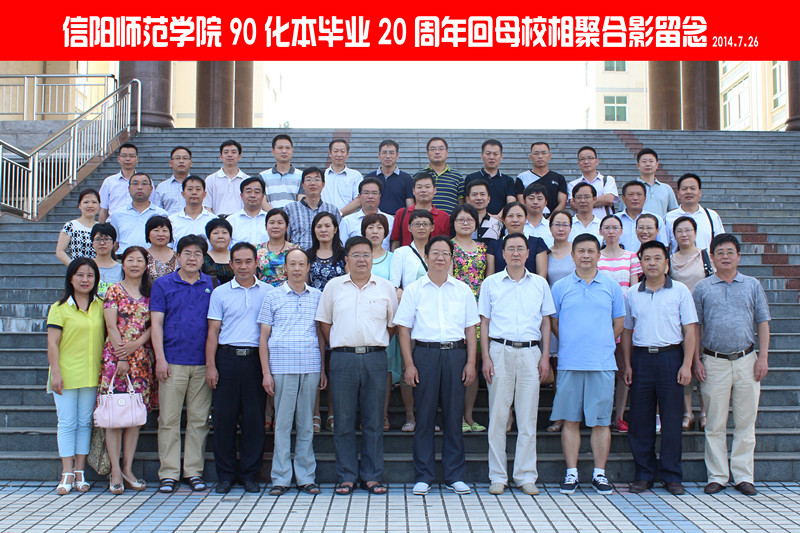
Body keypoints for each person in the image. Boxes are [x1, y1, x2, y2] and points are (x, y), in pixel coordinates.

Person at [395, 236, 479, 496]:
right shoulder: (414, 290)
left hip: (455, 354)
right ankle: (424, 476)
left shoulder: (462, 290)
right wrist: (409, 364)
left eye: (445, 253)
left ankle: (455, 475)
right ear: (427, 257)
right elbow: (403, 330)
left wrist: (471, 363)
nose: (440, 257)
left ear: (451, 258)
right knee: (425, 416)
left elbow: (471, 328)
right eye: (435, 253)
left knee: (454, 416)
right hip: (425, 354)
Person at [315, 237, 399, 496]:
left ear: (373, 259)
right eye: (356, 255)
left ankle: (372, 477)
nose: (362, 259)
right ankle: (347, 477)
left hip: (375, 358)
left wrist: (374, 344)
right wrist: (340, 345)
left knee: (374, 420)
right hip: (342, 359)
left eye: (366, 255)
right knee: (343, 420)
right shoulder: (333, 287)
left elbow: (392, 325)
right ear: (346, 260)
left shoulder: (385, 287)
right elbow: (324, 322)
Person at [693, 234, 771, 496]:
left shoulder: (752, 285)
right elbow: (695, 327)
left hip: (747, 360)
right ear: (712, 257)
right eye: (720, 252)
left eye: (730, 252)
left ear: (739, 256)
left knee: (746, 422)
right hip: (713, 361)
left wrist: (763, 357)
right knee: (715, 423)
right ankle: (717, 476)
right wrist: (696, 360)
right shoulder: (702, 288)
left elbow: (762, 322)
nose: (725, 257)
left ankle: (743, 477)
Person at [479, 233, 555, 495]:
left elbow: (546, 321)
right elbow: (484, 323)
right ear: (502, 253)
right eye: (510, 248)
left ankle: (525, 475)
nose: (515, 253)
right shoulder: (490, 283)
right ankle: (498, 476)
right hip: (499, 350)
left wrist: (545, 356)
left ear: (527, 253)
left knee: (527, 417)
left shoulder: (540, 284)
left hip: (530, 353)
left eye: (520, 248)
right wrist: (485, 357)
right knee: (498, 417)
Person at [550, 233, 625, 496]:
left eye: (591, 251)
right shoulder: (560, 287)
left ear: (598, 255)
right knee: (570, 420)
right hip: (570, 362)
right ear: (572, 255)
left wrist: (602, 343)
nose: (585, 255)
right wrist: (571, 342)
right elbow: (554, 323)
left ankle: (599, 474)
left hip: (602, 363)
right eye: (580, 251)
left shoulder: (611, 286)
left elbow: (619, 322)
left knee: (601, 422)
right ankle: (571, 473)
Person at [622, 240, 697, 496]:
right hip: (642, 359)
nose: (652, 263)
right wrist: (628, 364)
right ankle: (643, 475)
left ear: (666, 263)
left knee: (672, 420)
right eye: (647, 258)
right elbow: (627, 331)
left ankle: (671, 475)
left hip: (671, 358)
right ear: (640, 263)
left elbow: (690, 330)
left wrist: (687, 364)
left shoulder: (680, 291)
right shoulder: (632, 293)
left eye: (657, 258)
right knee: (640, 420)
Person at [205, 242, 274, 494]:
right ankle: (225, 475)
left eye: (248, 261)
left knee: (254, 420)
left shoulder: (269, 292)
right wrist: (211, 366)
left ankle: (249, 474)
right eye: (238, 262)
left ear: (256, 263)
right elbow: (213, 332)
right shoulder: (220, 293)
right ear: (231, 264)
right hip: (227, 359)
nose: (243, 266)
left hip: (256, 360)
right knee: (224, 419)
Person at [259, 248, 326, 496]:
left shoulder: (318, 296)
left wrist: (322, 368)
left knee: (306, 424)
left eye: (301, 264)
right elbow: (263, 337)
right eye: (292, 264)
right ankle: (280, 478)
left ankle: (306, 477)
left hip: (310, 365)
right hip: (281, 366)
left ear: (308, 267)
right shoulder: (272, 296)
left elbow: (320, 334)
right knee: (283, 425)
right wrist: (266, 373)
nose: (297, 268)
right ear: (285, 268)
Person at [151, 235, 215, 494]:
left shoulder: (211, 284)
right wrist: (160, 358)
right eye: (187, 253)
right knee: (169, 419)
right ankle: (168, 473)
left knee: (199, 420)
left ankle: (193, 472)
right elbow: (156, 323)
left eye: (197, 254)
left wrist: (211, 363)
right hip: (172, 362)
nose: (192, 258)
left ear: (203, 258)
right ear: (177, 256)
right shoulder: (163, 284)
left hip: (202, 363)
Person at [46, 258, 104, 495]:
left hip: (92, 374)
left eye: (90, 275)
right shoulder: (59, 308)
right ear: (71, 278)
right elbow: (52, 343)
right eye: (80, 275)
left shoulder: (101, 305)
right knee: (67, 423)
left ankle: (80, 471)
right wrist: (56, 374)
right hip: (66, 374)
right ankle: (67, 472)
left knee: (85, 423)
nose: (85, 280)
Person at [100, 246, 155, 495]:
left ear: (146, 265)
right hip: (116, 360)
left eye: (139, 260)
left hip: (141, 360)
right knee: (114, 417)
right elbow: (111, 325)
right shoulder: (114, 290)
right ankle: (114, 471)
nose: (134, 264)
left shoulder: (151, 292)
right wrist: (122, 355)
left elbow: (154, 325)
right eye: (130, 260)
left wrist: (137, 344)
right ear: (123, 264)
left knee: (134, 417)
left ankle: (128, 469)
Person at [597, 214, 643, 433]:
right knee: (603, 369)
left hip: (624, 320)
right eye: (607, 228)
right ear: (601, 231)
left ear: (622, 231)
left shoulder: (631, 257)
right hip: (600, 319)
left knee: (624, 366)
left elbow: (634, 290)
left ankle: (620, 415)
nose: (611, 231)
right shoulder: (596, 257)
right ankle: (603, 414)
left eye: (615, 227)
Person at [389, 210, 433, 432]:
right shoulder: (402, 253)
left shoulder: (438, 250)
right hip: (410, 319)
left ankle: (427, 417)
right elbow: (394, 286)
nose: (421, 227)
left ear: (432, 227)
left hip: (434, 320)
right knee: (409, 368)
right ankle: (410, 416)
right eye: (417, 224)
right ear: (409, 228)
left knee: (430, 373)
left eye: (425, 223)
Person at [670, 216, 715, 431]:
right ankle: (687, 412)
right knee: (684, 362)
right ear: (674, 235)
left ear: (695, 232)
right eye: (679, 231)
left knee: (704, 365)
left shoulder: (706, 257)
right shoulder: (670, 260)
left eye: (688, 230)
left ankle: (705, 411)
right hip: (678, 321)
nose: (684, 234)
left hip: (704, 319)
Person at [450, 204, 487, 434]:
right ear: (453, 223)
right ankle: (455, 416)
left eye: (469, 220)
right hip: (455, 311)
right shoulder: (448, 247)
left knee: (473, 364)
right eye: (460, 219)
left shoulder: (484, 248)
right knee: (456, 365)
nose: (465, 223)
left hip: (479, 312)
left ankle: (469, 416)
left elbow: (488, 280)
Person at [361, 214, 396, 431]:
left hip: (385, 322)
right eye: (370, 227)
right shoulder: (357, 256)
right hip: (360, 320)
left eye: (379, 228)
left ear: (386, 232)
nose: (375, 231)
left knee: (384, 370)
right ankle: (364, 413)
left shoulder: (394, 258)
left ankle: (382, 414)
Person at [544, 210, 576, 433]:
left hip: (574, 314)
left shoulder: (577, 251)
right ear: (550, 228)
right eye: (557, 224)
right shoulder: (544, 253)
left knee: (571, 369)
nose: (561, 228)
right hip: (552, 313)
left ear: (571, 228)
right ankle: (560, 415)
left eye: (565, 224)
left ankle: (573, 415)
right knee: (558, 371)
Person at [107, 172, 168, 254]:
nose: (139, 187)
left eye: (144, 184)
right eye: (135, 184)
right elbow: (115, 243)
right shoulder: (118, 214)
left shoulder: (161, 214)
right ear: (129, 189)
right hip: (124, 258)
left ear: (151, 189)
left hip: (152, 258)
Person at [284, 167, 341, 250]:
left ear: (323, 184)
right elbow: (285, 238)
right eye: (308, 179)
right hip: (298, 255)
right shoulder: (290, 209)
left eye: (317, 179)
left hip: (324, 255)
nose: (312, 183)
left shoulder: (332, 210)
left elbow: (337, 238)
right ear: (303, 185)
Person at [665, 173, 725, 253]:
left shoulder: (712, 216)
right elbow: (665, 247)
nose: (688, 192)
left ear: (700, 192)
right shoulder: (669, 218)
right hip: (678, 261)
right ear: (678, 193)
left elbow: (721, 244)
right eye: (684, 189)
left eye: (693, 188)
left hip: (706, 260)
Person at [390, 172, 450, 249]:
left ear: (435, 190)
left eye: (427, 187)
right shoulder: (401, 214)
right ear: (413, 191)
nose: (423, 190)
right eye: (419, 187)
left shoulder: (444, 216)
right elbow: (396, 242)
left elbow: (447, 243)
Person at [486, 202, 548, 277]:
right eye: (510, 216)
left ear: (525, 219)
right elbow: (490, 275)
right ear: (503, 220)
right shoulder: (494, 245)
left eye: (519, 216)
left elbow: (542, 275)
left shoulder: (537, 243)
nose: (515, 220)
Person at [339, 178, 394, 251]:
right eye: (366, 193)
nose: (370, 196)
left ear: (380, 196)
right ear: (359, 196)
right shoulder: (347, 221)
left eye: (374, 193)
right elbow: (342, 248)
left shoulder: (390, 220)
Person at [464, 139, 516, 215]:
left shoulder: (508, 180)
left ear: (501, 157)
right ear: (482, 156)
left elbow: (510, 203)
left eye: (495, 154)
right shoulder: (471, 178)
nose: (491, 157)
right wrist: (487, 217)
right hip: (477, 219)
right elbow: (468, 202)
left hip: (501, 220)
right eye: (488, 154)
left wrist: (497, 217)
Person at [363, 139, 414, 214]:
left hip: (397, 219)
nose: (387, 156)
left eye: (391, 153)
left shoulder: (407, 179)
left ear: (397, 155)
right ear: (379, 155)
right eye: (384, 153)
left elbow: (410, 205)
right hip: (374, 219)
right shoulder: (369, 178)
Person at [567, 146, 619, 219]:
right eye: (582, 159)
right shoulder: (573, 184)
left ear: (597, 161)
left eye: (590, 158)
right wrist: (601, 201)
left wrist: (582, 203)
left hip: (604, 223)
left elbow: (609, 199)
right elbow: (574, 205)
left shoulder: (607, 180)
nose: (586, 162)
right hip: (581, 223)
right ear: (578, 164)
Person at [516, 141, 567, 214]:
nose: (540, 156)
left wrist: (551, 219)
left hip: (553, 219)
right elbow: (521, 203)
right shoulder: (522, 177)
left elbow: (562, 203)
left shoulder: (559, 178)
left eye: (544, 153)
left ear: (549, 156)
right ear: (530, 157)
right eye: (536, 153)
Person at [618, 181, 669, 253]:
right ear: (623, 198)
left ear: (645, 198)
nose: (635, 198)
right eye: (631, 194)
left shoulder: (656, 219)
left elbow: (663, 246)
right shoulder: (614, 220)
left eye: (639, 194)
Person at [168, 175, 216, 251]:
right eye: (190, 189)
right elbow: (168, 248)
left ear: (204, 194)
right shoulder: (171, 221)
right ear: (183, 194)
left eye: (198, 189)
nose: (194, 192)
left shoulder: (214, 220)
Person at [256, 209, 302, 287]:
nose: (275, 226)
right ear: (266, 226)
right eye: (272, 223)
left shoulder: (295, 250)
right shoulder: (257, 249)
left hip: (289, 291)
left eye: (280, 223)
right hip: (263, 291)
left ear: (287, 227)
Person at [419, 137, 464, 215]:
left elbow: (461, 203)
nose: (437, 152)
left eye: (441, 149)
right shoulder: (418, 176)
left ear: (447, 152)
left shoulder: (457, 177)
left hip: (449, 221)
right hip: (424, 221)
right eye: (433, 149)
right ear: (427, 153)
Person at [204, 139, 249, 216]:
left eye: (233, 152)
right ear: (221, 156)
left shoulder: (247, 180)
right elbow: (206, 206)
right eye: (226, 152)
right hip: (218, 220)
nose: (229, 155)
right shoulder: (211, 179)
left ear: (239, 156)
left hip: (241, 220)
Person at [98, 143, 142, 222]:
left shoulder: (145, 182)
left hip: (137, 223)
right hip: (113, 224)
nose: (128, 159)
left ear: (137, 159)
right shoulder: (109, 182)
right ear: (118, 159)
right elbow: (103, 209)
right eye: (124, 156)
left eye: (131, 156)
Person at [56, 189, 99, 266]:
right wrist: (74, 267)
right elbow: (60, 251)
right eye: (86, 202)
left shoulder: (101, 227)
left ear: (99, 205)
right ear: (79, 205)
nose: (90, 205)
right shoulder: (71, 226)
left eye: (94, 202)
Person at [320, 139, 363, 216]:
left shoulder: (355, 176)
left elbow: (358, 200)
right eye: (335, 151)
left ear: (347, 154)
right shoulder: (321, 175)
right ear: (330, 153)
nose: (339, 154)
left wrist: (339, 214)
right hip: (323, 219)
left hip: (347, 219)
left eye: (342, 151)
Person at [260, 134, 303, 210]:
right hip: (271, 216)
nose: (284, 151)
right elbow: (262, 201)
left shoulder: (302, 176)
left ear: (292, 151)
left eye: (287, 148)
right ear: (273, 152)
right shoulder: (263, 176)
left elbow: (301, 200)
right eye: (280, 148)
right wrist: (276, 215)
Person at [634, 148, 678, 219]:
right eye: (644, 161)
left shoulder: (667, 189)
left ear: (657, 165)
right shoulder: (630, 189)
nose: (648, 164)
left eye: (651, 161)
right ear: (638, 165)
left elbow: (674, 213)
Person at [307, 212, 347, 291]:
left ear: (335, 229)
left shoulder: (344, 254)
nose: (323, 230)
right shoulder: (308, 255)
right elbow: (305, 284)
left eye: (327, 226)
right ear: (314, 230)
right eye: (319, 226)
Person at [227, 176, 269, 247]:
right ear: (241, 196)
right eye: (248, 192)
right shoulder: (231, 221)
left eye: (257, 192)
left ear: (262, 196)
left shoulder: (270, 220)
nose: (252, 195)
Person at [154, 146, 194, 215]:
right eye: (177, 158)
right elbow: (157, 212)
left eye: (185, 158)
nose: (181, 161)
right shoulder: (161, 187)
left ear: (191, 163)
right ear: (171, 163)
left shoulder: (199, 187)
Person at [465, 179, 503, 244]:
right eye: (474, 194)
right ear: (468, 199)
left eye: (482, 194)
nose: (479, 198)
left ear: (488, 199)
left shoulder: (497, 224)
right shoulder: (462, 223)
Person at [90, 224, 123, 298]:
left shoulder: (122, 269)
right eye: (98, 239)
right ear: (92, 243)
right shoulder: (87, 267)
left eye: (106, 239)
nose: (102, 243)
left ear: (114, 242)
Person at [145, 216, 179, 282]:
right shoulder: (142, 256)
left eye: (164, 230)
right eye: (156, 230)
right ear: (148, 234)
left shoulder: (178, 257)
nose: (160, 234)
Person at [202, 218, 235, 285]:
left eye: (224, 233)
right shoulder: (202, 259)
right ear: (209, 237)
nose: (220, 236)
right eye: (215, 233)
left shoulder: (237, 257)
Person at [522, 183, 555, 247]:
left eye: (539, 199)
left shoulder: (551, 227)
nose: (535, 202)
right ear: (524, 201)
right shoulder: (518, 226)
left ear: (545, 202)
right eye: (531, 198)